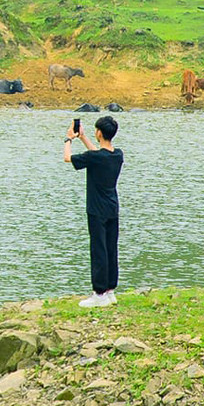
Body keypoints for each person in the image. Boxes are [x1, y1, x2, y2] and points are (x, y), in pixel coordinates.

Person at [63, 115, 124, 308]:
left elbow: (67, 158)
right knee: (110, 248)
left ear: (99, 132)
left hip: (97, 210)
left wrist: (68, 139)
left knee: (98, 250)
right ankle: (110, 291)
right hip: (112, 208)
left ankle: (99, 294)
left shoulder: (95, 158)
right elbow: (99, 155)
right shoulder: (117, 155)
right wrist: (83, 138)